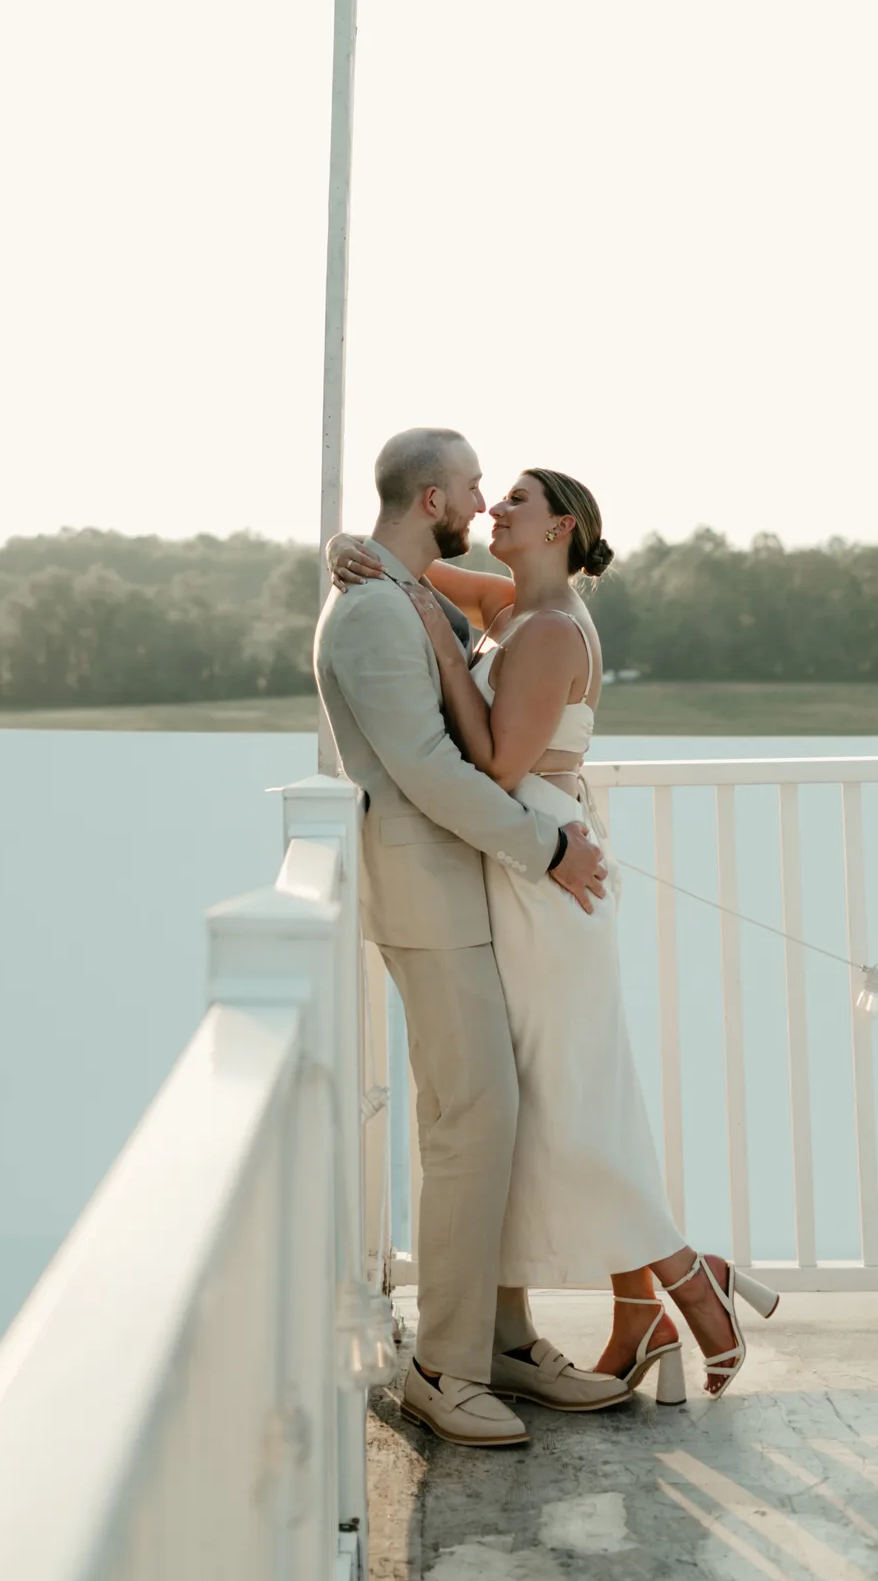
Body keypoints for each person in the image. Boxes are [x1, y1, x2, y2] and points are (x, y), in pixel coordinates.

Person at [328, 461, 779, 1402]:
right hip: (525, 869)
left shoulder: (543, 633)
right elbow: (410, 573)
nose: (495, 506)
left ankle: (692, 1279)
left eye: (517, 501)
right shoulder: (514, 603)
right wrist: (350, 553)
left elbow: (493, 764)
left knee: (567, 1102)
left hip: (547, 877)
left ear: (563, 528)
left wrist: (441, 652)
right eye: (491, 494)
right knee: (562, 1098)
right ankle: (647, 1308)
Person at [315, 426, 627, 1447]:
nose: (482, 498)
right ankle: (442, 1368)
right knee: (472, 1121)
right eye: (470, 486)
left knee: (491, 1115)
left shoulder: (404, 597)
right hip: (428, 896)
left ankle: (500, 1339)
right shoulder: (367, 612)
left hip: (470, 891)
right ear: (431, 501)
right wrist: (545, 847)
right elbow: (431, 771)